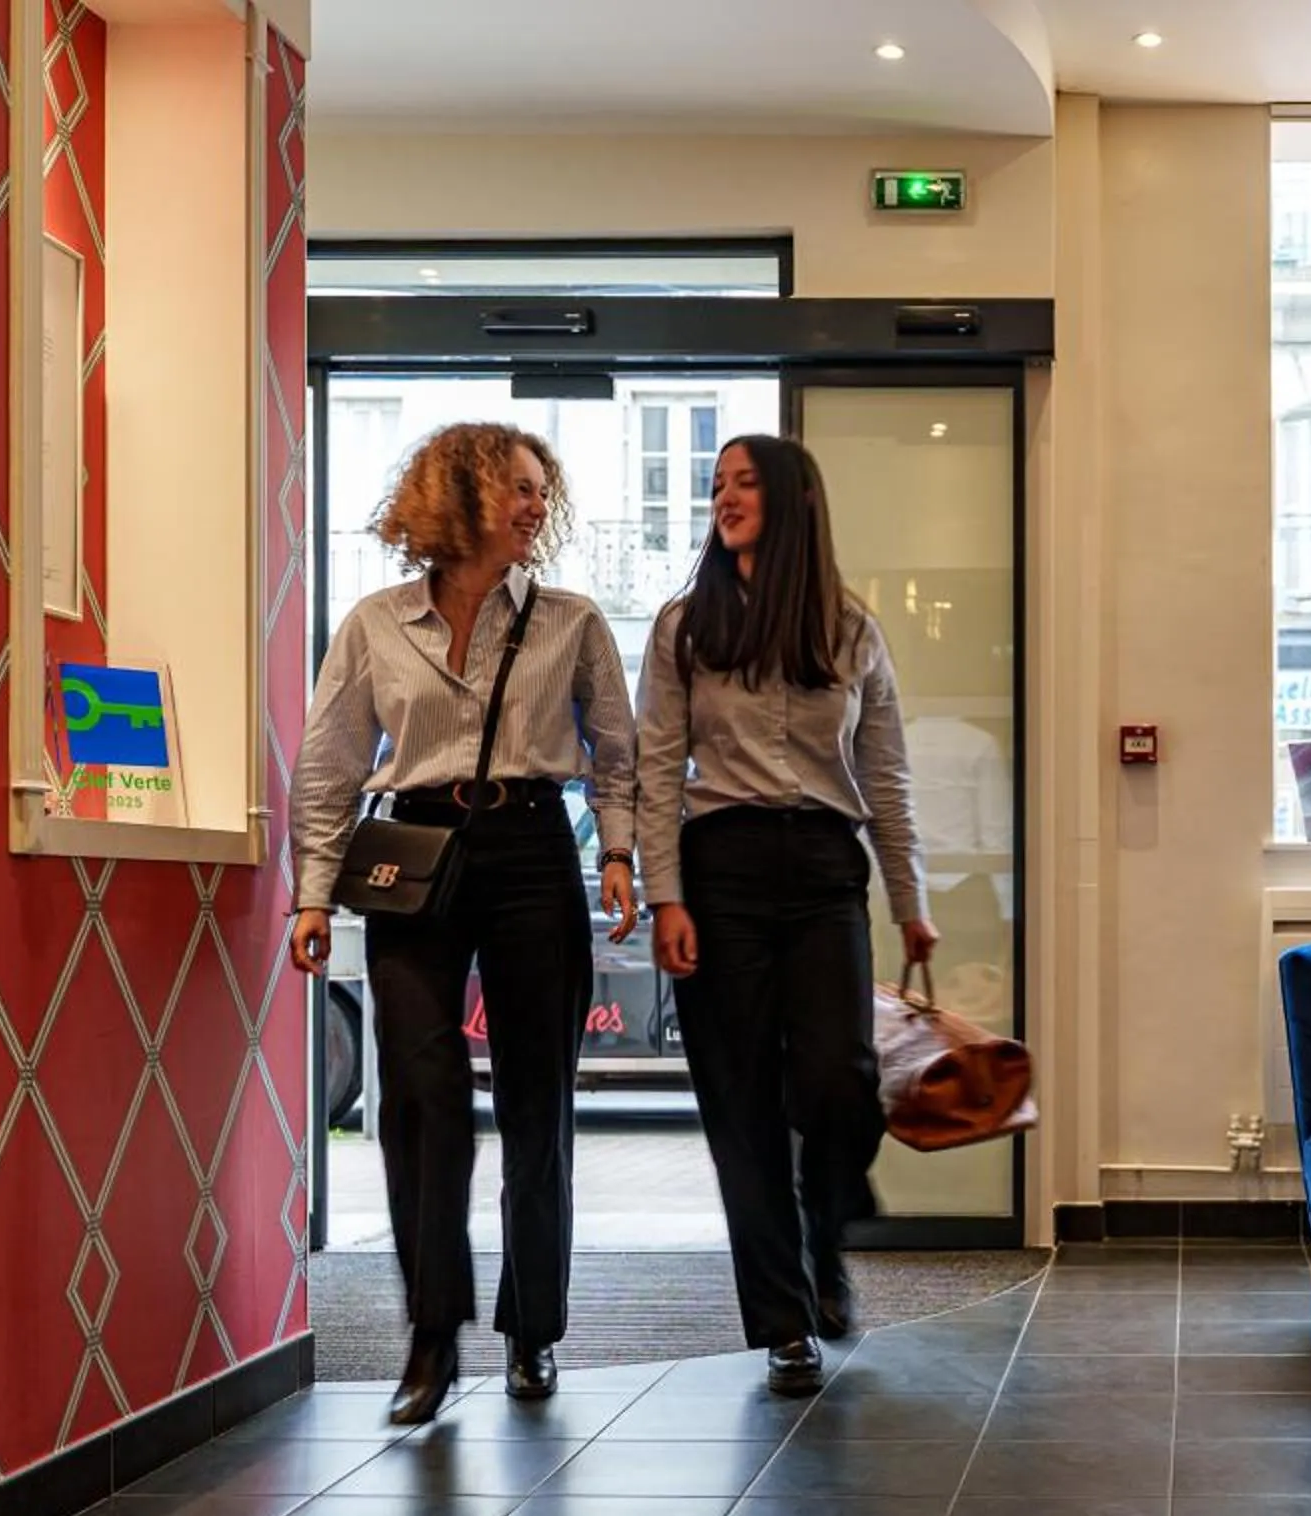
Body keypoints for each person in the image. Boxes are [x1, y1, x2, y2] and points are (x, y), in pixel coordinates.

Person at [288, 422, 637, 1425]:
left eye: (540, 490)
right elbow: (330, 766)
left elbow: (616, 752)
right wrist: (315, 890)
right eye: (517, 489)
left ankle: (533, 1329)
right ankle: (430, 1335)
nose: (535, 505)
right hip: (414, 856)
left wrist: (614, 852)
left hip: (532, 850)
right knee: (421, 1094)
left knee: (538, 1102)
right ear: (458, 498)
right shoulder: (372, 624)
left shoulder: (572, 622)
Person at [637, 435, 934, 1395]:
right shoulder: (685, 626)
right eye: (715, 483)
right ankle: (783, 1322)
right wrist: (665, 896)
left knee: (841, 1080)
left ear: (795, 499)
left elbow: (885, 775)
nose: (724, 497)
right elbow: (654, 769)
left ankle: (822, 1227)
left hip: (822, 869)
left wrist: (911, 902)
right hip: (719, 867)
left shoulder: (850, 630)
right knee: (740, 1106)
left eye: (745, 482)